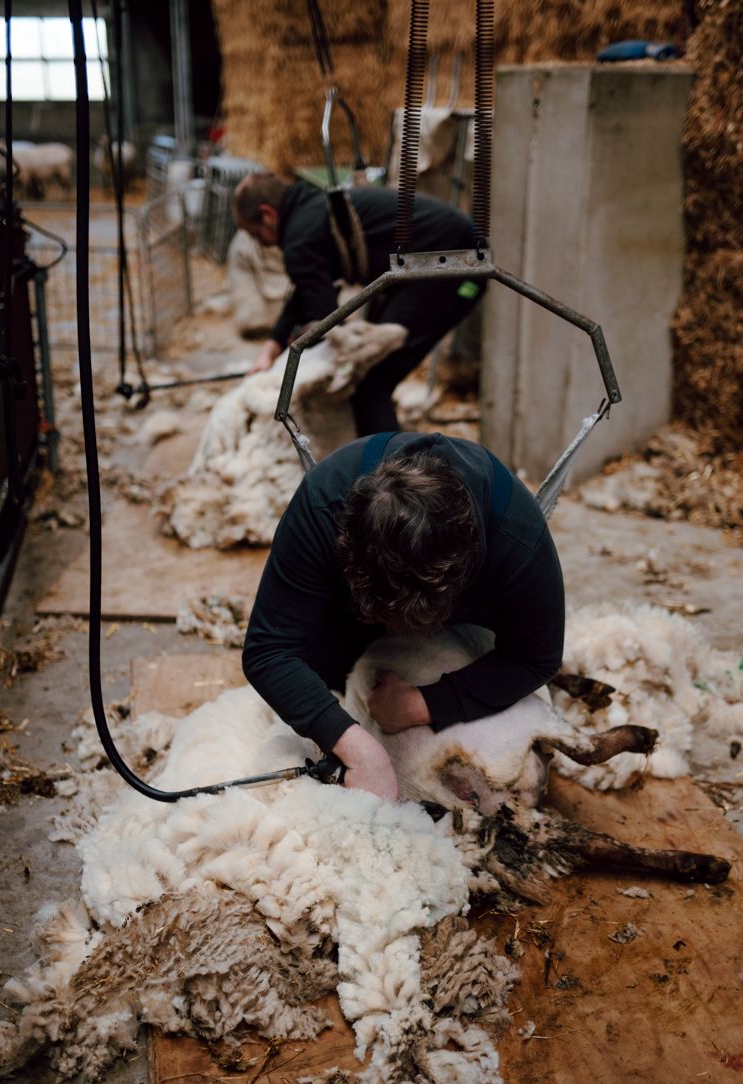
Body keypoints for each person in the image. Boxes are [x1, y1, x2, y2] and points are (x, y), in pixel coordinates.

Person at [242, 432, 565, 802]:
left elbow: (538, 658)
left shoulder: (518, 540)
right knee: (319, 680)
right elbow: (268, 650)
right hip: (346, 618)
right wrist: (352, 744)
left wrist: (426, 704)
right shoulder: (322, 506)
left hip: (464, 624)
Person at [231, 173, 483, 435]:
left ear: (268, 214)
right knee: (369, 375)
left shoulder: (300, 236)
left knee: (370, 380)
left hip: (454, 265)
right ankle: (381, 446)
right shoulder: (308, 215)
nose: (260, 242)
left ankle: (389, 459)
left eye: (255, 233)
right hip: (434, 261)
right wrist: (271, 348)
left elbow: (326, 322)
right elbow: (304, 290)